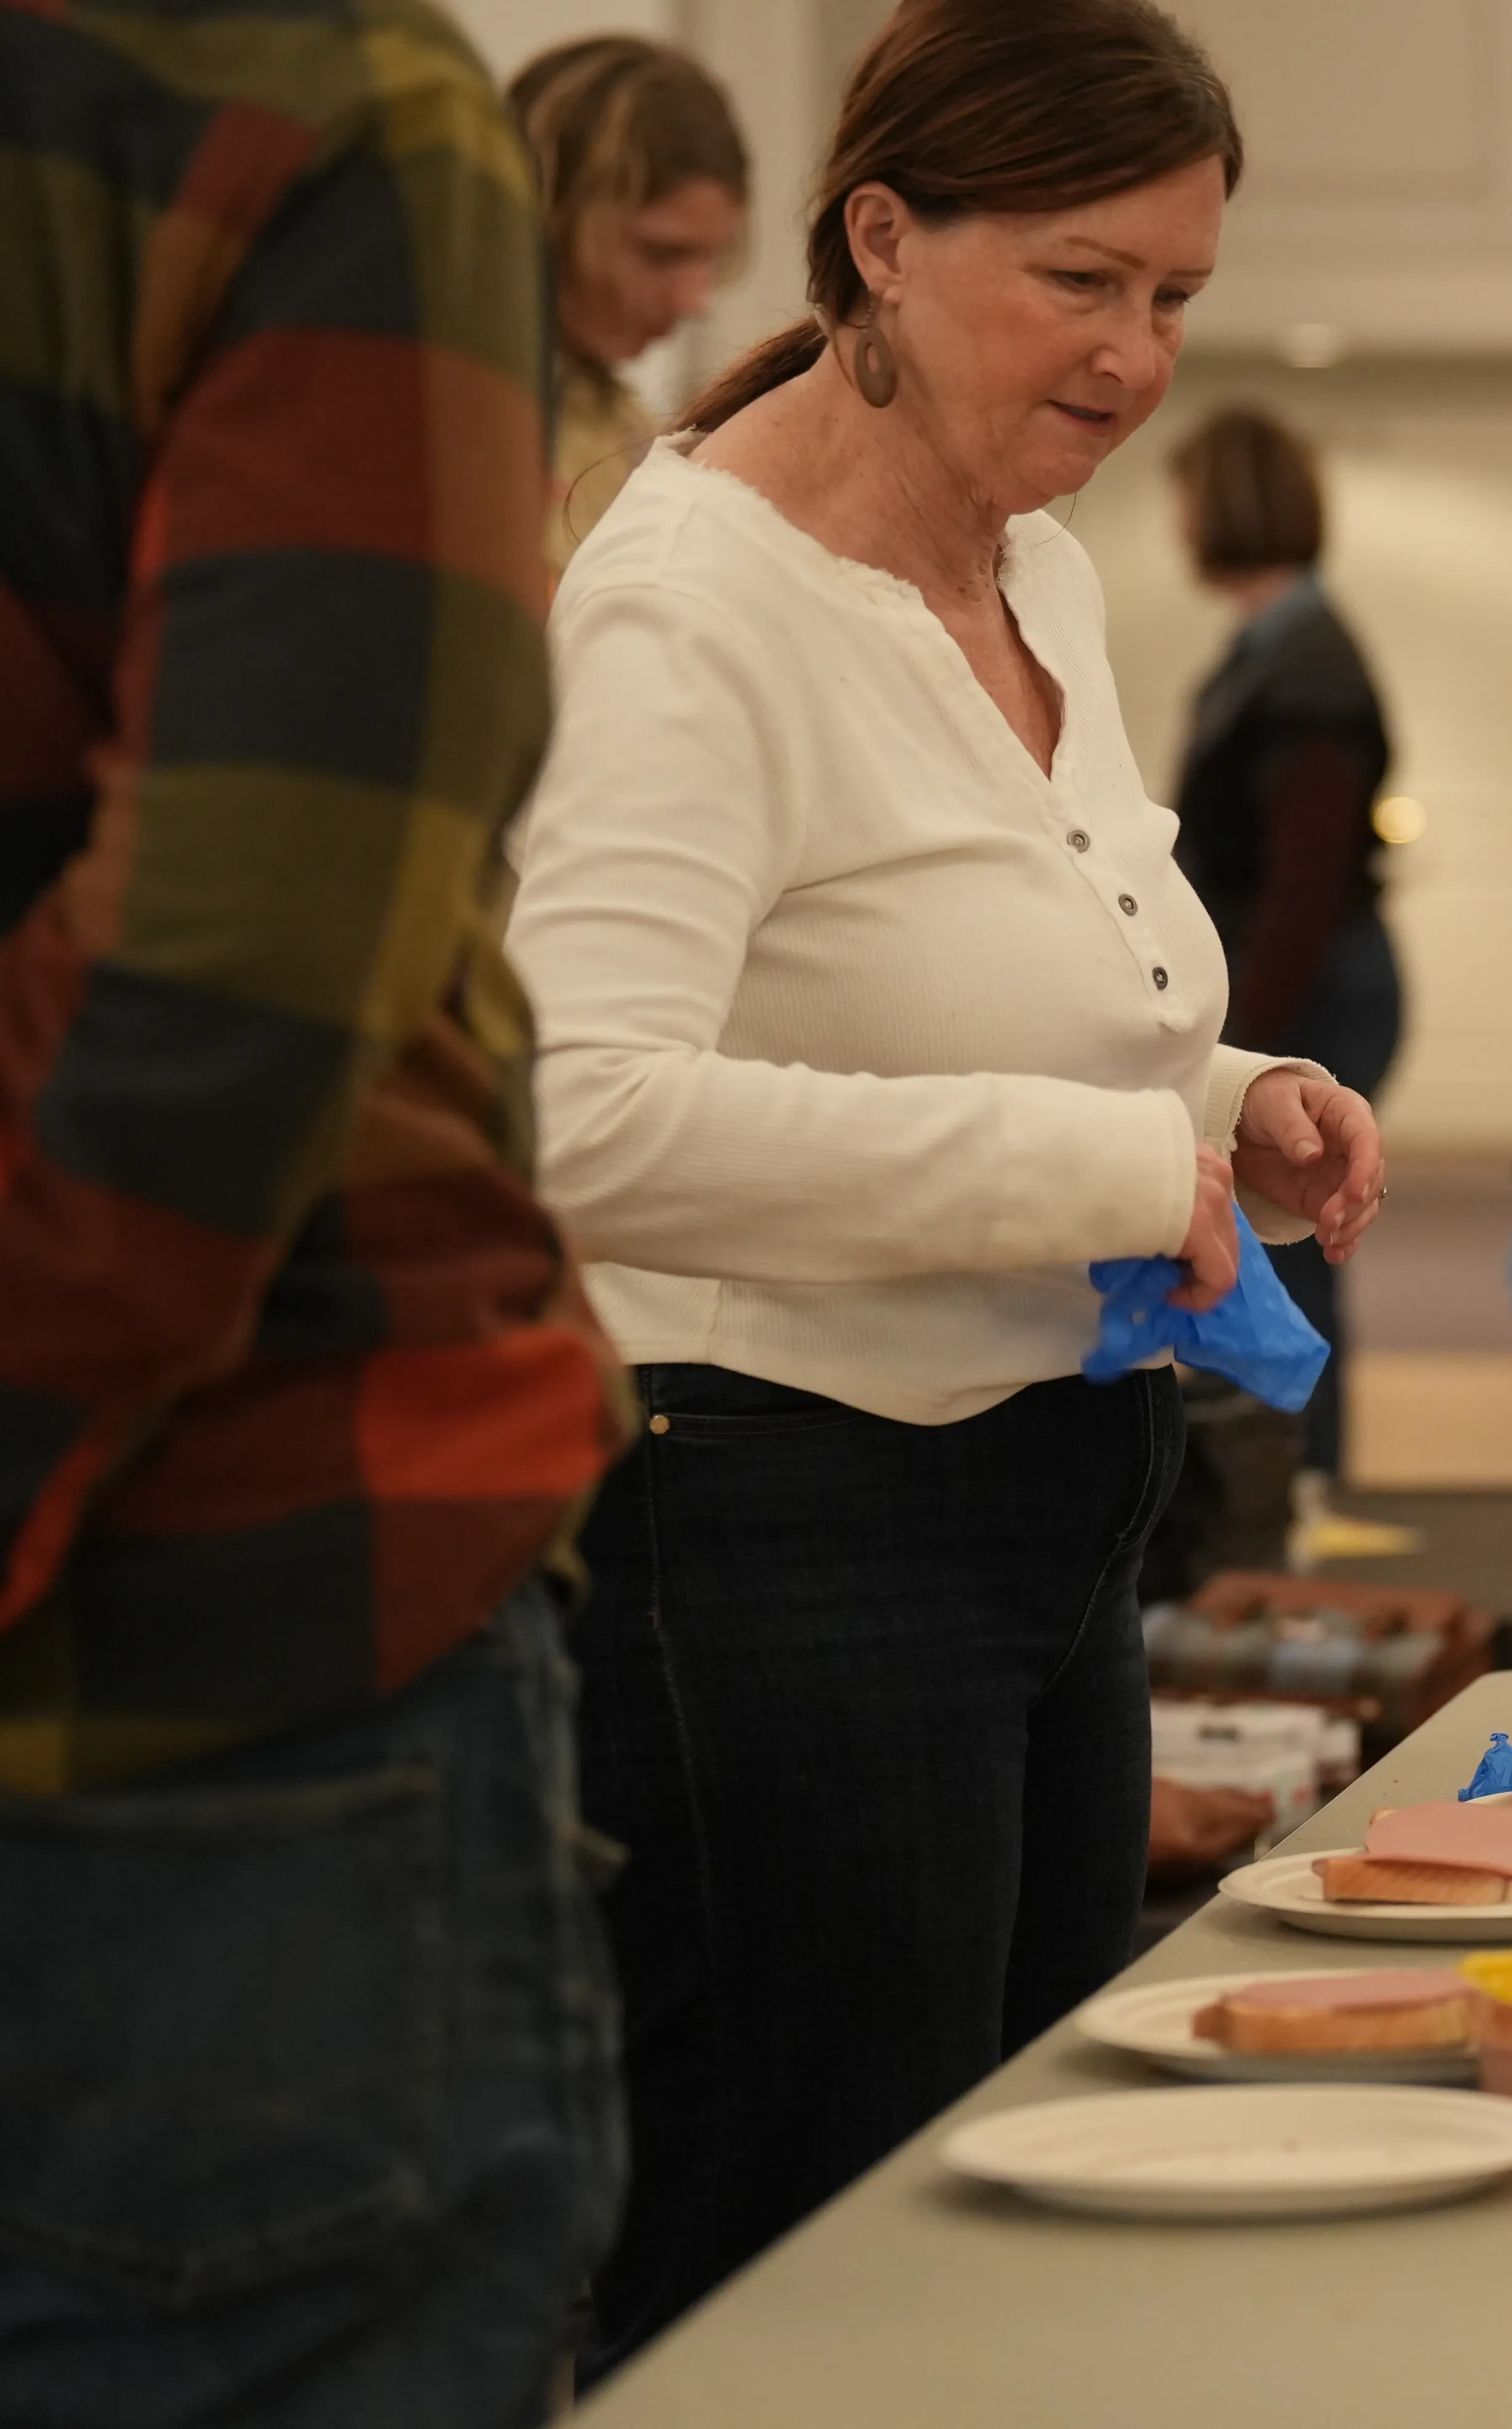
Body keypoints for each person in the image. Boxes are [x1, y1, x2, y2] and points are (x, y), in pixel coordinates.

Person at [504, 0, 1380, 2370]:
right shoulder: (690, 610)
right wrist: (1090, 1158)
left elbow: (1002, 980)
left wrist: (1229, 1097)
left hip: (1054, 1501)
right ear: (880, 239)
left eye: (1178, 296)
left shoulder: (1039, 568)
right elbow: (577, 1114)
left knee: (1019, 2211)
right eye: (1082, 282)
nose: (1137, 355)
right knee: (807, 2276)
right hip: (781, 1526)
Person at [0, 4, 627, 2419]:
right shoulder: (289, 92)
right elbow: (233, 999)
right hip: (215, 1669)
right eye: (1094, 279)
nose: (1135, 347)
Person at [1170, 404, 1404, 1493]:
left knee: (1297, 1239)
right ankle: (1286, 1476)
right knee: (1283, 1240)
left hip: (1309, 980)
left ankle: (1301, 1485)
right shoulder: (1276, 645)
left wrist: (1246, 1051)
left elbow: (1302, 887)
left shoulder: (1307, 664)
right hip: (1299, 969)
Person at [510, 33, 751, 575]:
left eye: (710, 259)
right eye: (662, 254)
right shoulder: (438, 418)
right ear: (551, 216)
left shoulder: (638, 441)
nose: (695, 302)